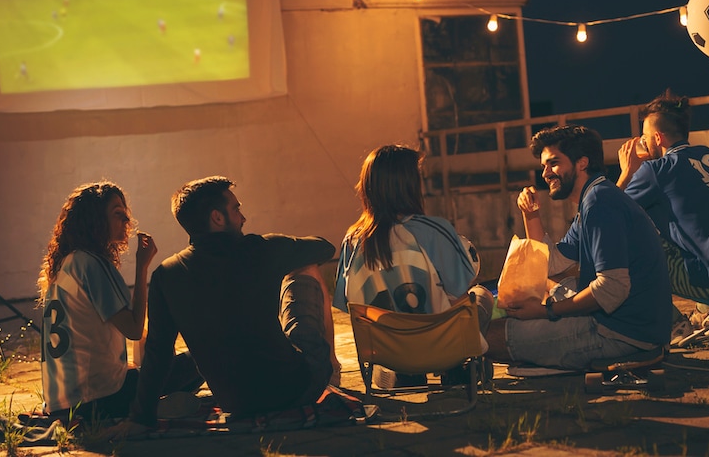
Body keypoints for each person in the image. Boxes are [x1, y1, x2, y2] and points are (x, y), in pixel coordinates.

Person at [125, 176, 340, 429]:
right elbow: (325, 248)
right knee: (305, 269)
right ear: (217, 218)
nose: (242, 217)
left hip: (236, 402)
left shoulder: (166, 275)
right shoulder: (261, 249)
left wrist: (141, 417)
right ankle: (332, 370)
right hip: (295, 389)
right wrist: (281, 250)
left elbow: (158, 353)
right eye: (236, 209)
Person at [486, 126, 671, 369]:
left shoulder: (599, 203)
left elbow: (612, 289)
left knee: (486, 337)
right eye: (543, 166)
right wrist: (531, 215)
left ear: (582, 163)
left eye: (553, 163)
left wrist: (545, 311)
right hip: (633, 327)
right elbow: (551, 264)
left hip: (622, 335)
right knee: (558, 285)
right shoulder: (594, 197)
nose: (545, 173)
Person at [616, 90, 709, 325]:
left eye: (644, 138)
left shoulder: (656, 170)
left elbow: (607, 214)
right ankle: (708, 312)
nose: (642, 143)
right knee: (688, 238)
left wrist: (626, 173)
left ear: (657, 139)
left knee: (626, 246)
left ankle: (674, 325)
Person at [333, 144, 494, 325]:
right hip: (440, 345)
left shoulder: (352, 240)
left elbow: (345, 305)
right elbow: (460, 298)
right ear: (409, 185)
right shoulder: (434, 230)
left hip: (380, 350)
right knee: (482, 294)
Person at [38, 182, 157, 421]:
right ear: (94, 219)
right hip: (96, 400)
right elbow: (133, 329)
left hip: (61, 403)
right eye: (117, 213)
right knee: (192, 362)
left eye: (126, 213)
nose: (126, 220)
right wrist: (143, 267)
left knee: (148, 371)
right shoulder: (90, 263)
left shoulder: (67, 263)